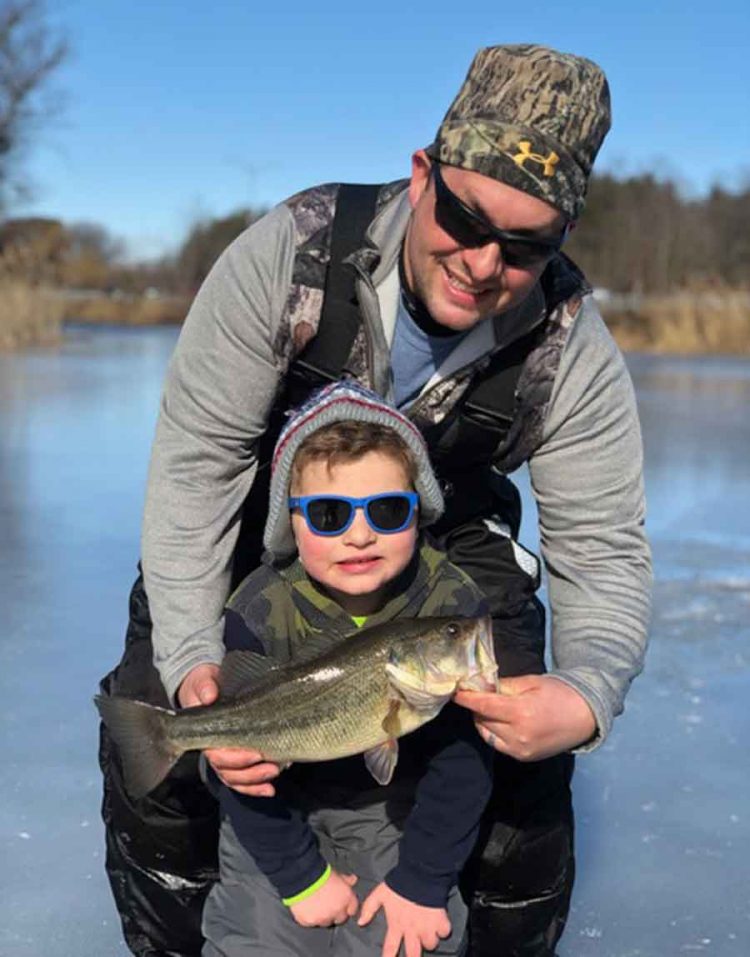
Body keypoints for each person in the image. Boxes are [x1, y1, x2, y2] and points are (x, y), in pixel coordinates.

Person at [98, 43, 652, 957]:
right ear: (423, 172)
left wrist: (586, 697)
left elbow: (603, 546)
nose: (482, 263)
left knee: (524, 799)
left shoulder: (568, 344)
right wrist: (195, 657)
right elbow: (199, 464)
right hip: (268, 519)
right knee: (164, 758)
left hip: (450, 540)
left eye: (526, 246)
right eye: (467, 219)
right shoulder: (293, 254)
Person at [201, 379, 494, 957]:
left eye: (387, 511)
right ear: (291, 522)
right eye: (330, 514)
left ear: (419, 512)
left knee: (410, 940)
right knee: (255, 939)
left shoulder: (450, 604)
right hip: (272, 812)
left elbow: (466, 763)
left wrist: (423, 881)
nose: (360, 534)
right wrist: (300, 878)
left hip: (396, 816)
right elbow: (235, 760)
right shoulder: (258, 608)